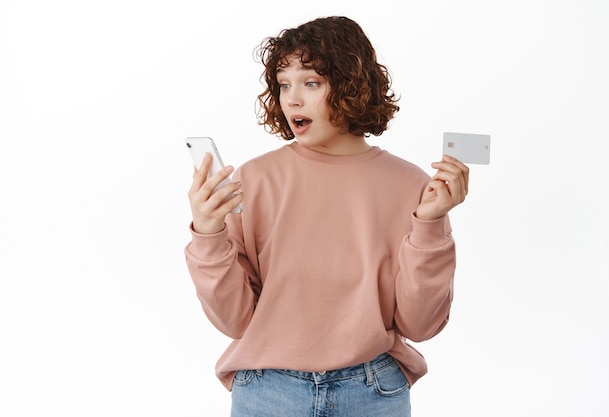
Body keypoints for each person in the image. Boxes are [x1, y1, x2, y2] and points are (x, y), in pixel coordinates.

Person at [185, 16, 469, 417]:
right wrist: (209, 235)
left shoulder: (413, 187)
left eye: (311, 83)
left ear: (352, 86)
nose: (292, 100)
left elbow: (420, 325)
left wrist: (429, 226)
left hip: (373, 394)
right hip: (268, 393)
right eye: (284, 84)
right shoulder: (253, 180)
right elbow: (235, 321)